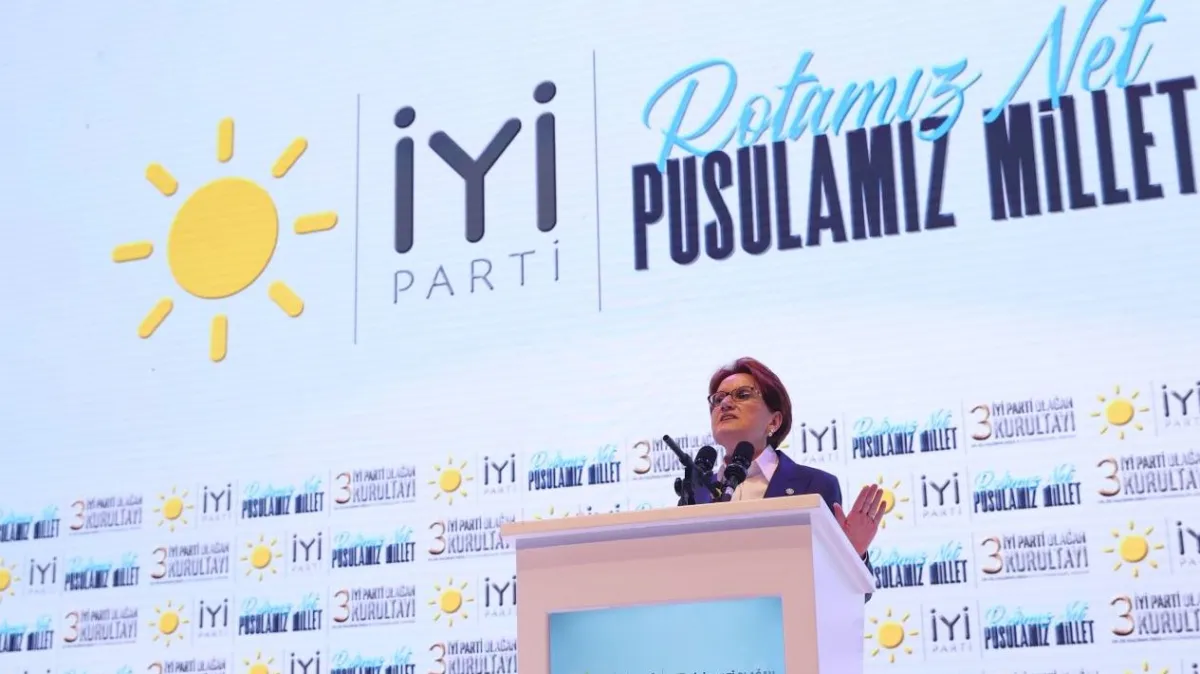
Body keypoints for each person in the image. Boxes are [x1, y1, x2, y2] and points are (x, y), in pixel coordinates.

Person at [692, 357, 883, 599]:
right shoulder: (697, 491)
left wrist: (853, 554)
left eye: (742, 395)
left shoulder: (814, 486)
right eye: (718, 399)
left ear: (774, 421)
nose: (726, 404)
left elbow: (849, 599)